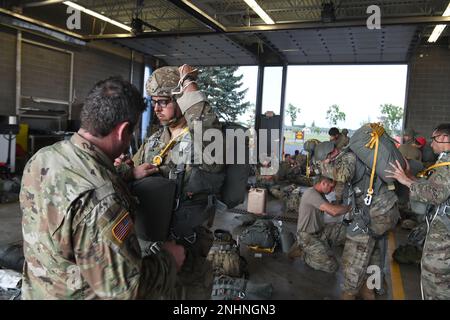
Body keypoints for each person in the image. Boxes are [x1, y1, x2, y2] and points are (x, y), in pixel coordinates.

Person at [20, 76, 185, 299]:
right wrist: (169, 260)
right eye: (131, 133)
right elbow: (126, 291)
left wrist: (128, 173)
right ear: (122, 130)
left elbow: (76, 183)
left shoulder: (44, 158)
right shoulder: (102, 202)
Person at [115, 65, 225, 299]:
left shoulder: (206, 142)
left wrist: (188, 86)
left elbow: (207, 131)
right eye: (154, 101)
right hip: (148, 240)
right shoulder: (155, 139)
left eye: (164, 101)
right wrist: (125, 167)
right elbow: (133, 173)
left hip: (186, 246)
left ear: (180, 99)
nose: (156, 108)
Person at [314, 140, 399, 300]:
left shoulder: (349, 156)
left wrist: (322, 165)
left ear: (330, 153)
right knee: (374, 251)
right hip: (385, 211)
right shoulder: (359, 156)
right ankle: (370, 291)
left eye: (325, 159)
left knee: (353, 256)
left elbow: (342, 174)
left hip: (373, 213)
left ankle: (348, 294)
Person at [386, 123, 450, 300]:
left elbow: (436, 194)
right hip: (441, 228)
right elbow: (433, 186)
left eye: (434, 138)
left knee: (435, 280)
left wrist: (406, 182)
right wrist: (409, 176)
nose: (431, 143)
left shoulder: (447, 164)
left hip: (444, 236)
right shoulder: (444, 160)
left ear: (445, 138)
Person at [289, 176, 350, 273]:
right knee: (332, 266)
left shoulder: (320, 194)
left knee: (345, 230)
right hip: (307, 236)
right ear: (323, 183)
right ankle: (303, 254)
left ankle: (320, 247)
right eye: (331, 187)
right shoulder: (311, 194)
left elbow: (330, 211)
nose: (332, 190)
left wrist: (340, 206)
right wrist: (350, 207)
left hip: (320, 232)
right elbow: (333, 211)